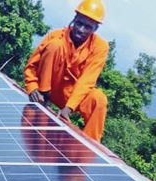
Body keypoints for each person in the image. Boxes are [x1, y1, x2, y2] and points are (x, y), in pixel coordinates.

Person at [23, 0, 109, 142]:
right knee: (55, 45)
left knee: (99, 99)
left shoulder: (100, 47)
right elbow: (32, 65)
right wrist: (32, 87)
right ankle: (43, 98)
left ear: (95, 29)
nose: (81, 29)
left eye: (87, 27)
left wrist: (69, 107)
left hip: (74, 95)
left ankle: (90, 146)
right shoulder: (56, 36)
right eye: (79, 23)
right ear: (74, 19)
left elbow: (87, 80)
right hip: (50, 88)